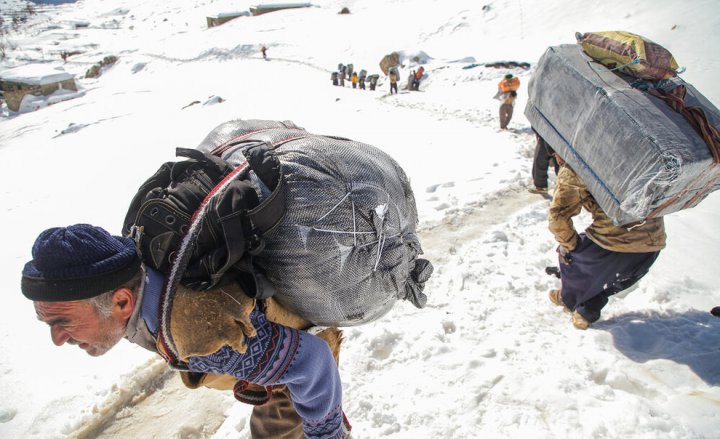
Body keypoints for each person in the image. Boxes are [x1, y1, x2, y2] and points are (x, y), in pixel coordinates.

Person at [21, 224, 351, 439]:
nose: (58, 339)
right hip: (270, 364)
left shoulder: (203, 333)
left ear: (122, 301)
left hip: (296, 365)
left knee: (289, 422)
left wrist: (326, 435)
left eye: (60, 322)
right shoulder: (138, 276)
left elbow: (312, 362)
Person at [547, 158, 666, 329]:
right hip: (652, 245)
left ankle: (569, 299)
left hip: (613, 245)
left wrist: (568, 245)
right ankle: (583, 309)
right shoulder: (638, 157)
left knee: (569, 255)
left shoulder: (576, 163)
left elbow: (557, 217)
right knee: (608, 275)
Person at [529, 129, 559, 194]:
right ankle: (541, 186)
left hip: (559, 138)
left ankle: (568, 192)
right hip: (544, 135)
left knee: (561, 168)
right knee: (539, 159)